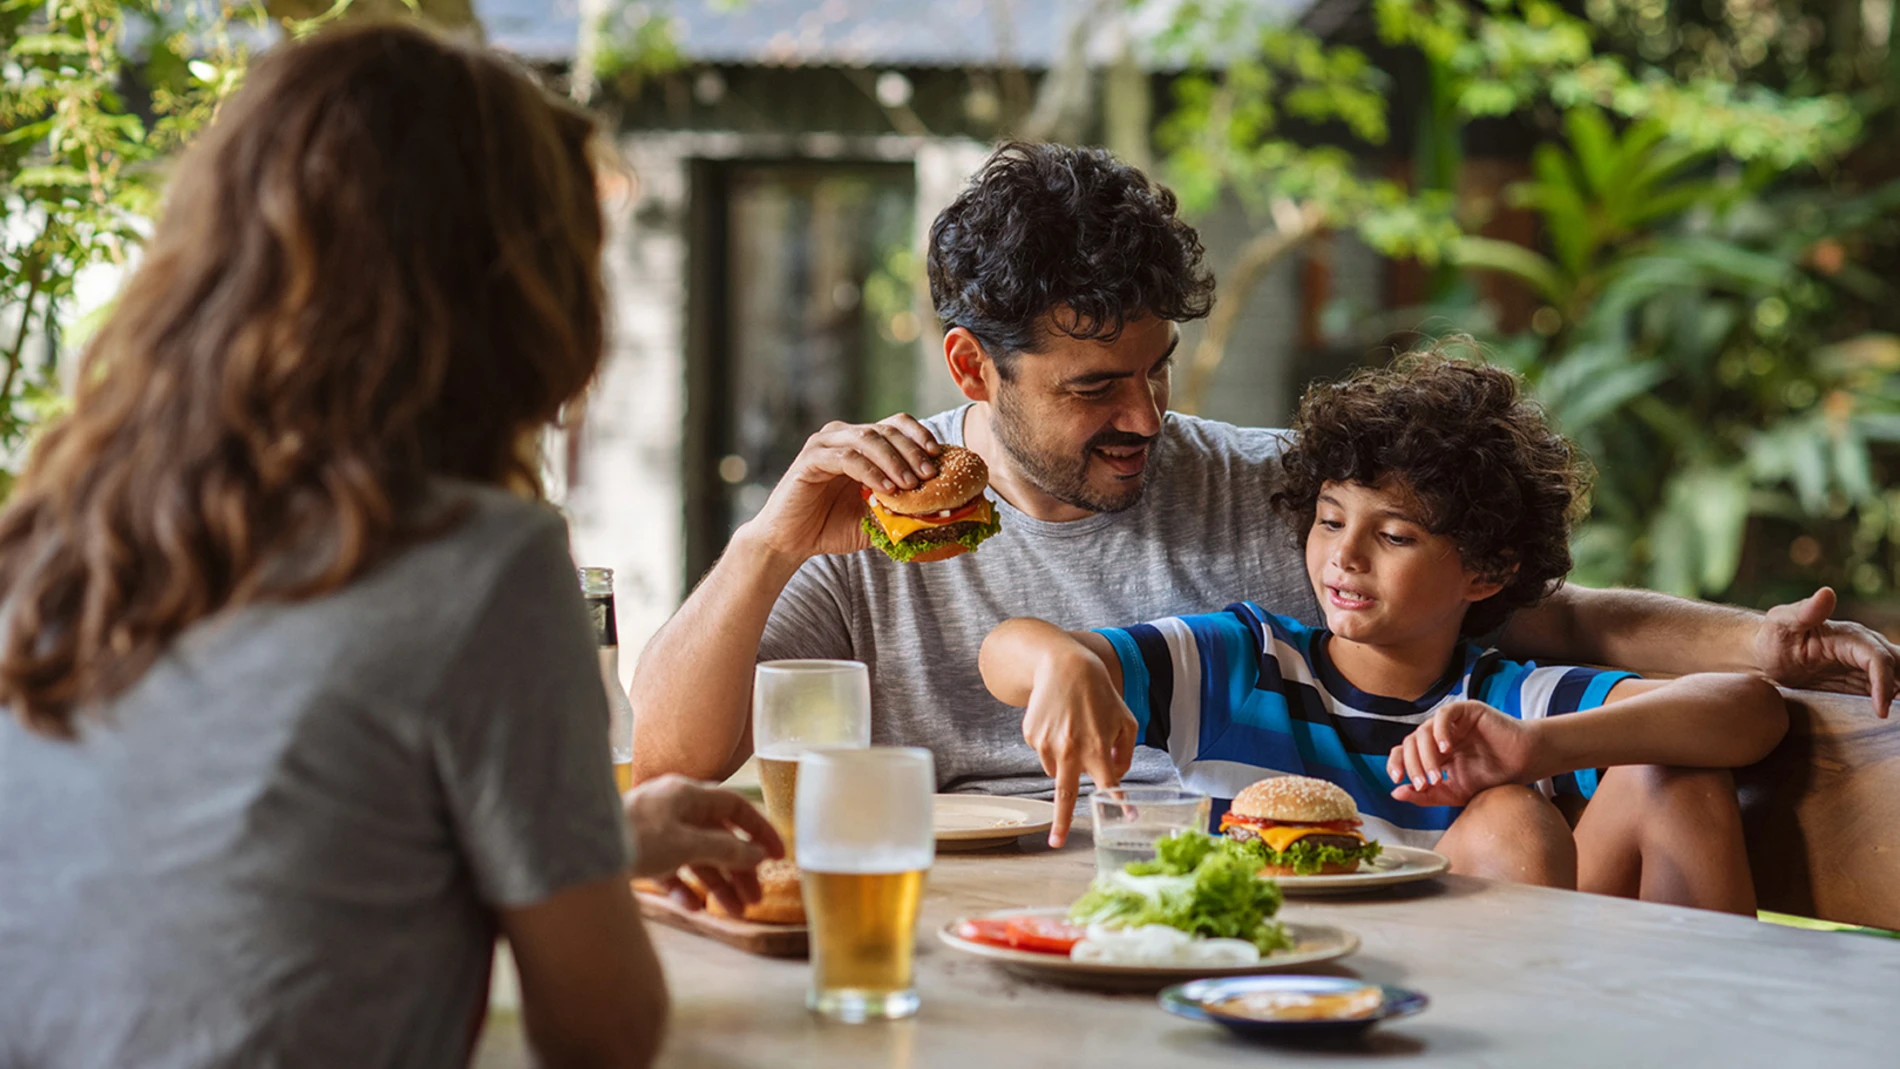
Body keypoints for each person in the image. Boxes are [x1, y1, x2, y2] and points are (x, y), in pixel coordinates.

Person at [627, 140, 1896, 836]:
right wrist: (770, 542)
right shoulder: (869, 514)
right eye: (1091, 388)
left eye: (1157, 370)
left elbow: (1545, 614)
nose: (1145, 417)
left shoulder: (1267, 489)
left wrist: (1761, 639)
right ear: (971, 364)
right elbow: (671, 756)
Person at [0, 24, 775, 1069]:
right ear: (518, 288)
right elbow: (603, 1033)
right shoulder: (484, 561)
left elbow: (192, 864)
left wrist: (586, 842)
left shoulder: (63, 524)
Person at [980, 354, 1787, 913]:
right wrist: (1060, 661)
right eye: (1330, 520)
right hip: (1276, 983)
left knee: (1591, 792)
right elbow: (1005, 650)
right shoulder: (1245, 663)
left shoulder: (1504, 702)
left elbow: (1752, 711)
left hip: (1488, 995)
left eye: (1395, 537)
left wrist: (1536, 751)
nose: (1345, 556)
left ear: (1486, 571)